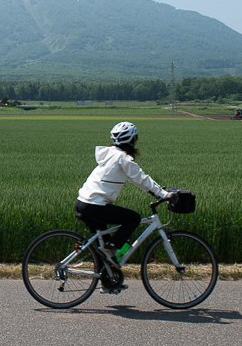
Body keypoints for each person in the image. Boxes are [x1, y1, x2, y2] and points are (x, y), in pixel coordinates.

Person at [75, 121, 178, 292]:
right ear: (133, 140)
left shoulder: (110, 154)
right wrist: (164, 195)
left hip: (84, 203)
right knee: (133, 219)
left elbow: (139, 179)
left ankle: (108, 281)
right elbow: (141, 179)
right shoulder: (123, 158)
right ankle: (111, 249)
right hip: (94, 206)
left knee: (104, 246)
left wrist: (156, 192)